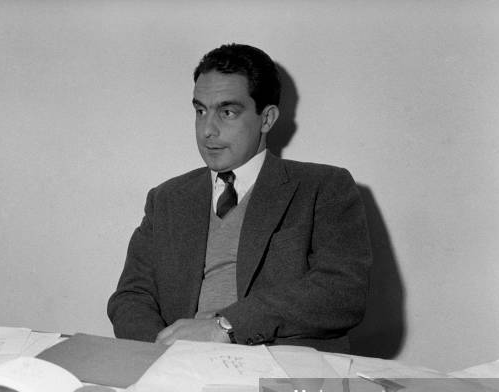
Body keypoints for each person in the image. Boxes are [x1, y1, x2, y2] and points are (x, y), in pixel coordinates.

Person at [108, 43, 371, 352]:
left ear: (267, 118)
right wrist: (162, 352)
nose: (207, 130)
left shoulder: (323, 186)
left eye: (227, 112)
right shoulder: (167, 198)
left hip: (282, 374)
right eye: (200, 111)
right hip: (180, 371)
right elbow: (131, 297)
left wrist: (225, 327)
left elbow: (343, 293)